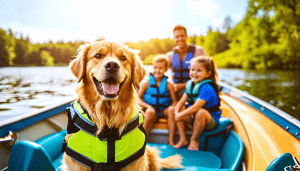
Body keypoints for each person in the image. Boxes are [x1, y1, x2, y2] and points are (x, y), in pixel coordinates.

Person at [173, 56, 221, 151]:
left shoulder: (206, 87)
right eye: (192, 69)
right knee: (179, 109)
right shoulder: (190, 85)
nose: (194, 73)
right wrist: (176, 112)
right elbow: (181, 102)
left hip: (210, 121)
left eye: (199, 71)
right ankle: (183, 139)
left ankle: (194, 140)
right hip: (194, 118)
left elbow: (196, 107)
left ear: (208, 74)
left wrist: (180, 115)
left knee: (200, 112)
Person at [138, 55, 177, 146]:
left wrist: (172, 107)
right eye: (155, 67)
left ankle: (171, 140)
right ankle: (142, 141)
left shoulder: (168, 84)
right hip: (151, 110)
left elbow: (174, 101)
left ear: (166, 69)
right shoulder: (146, 82)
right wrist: (148, 107)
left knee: (171, 110)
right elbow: (137, 98)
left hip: (164, 110)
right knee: (150, 112)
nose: (157, 70)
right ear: (152, 67)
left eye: (161, 68)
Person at [166, 25, 206, 101]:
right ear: (174, 38)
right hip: (175, 89)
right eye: (177, 36)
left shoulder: (198, 51)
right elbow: (159, 73)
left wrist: (182, 86)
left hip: (194, 88)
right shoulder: (170, 56)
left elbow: (205, 75)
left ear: (187, 37)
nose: (180, 39)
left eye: (182, 36)